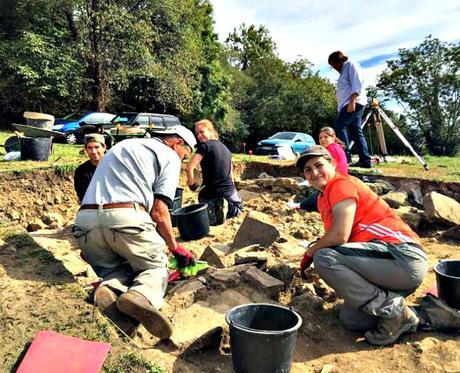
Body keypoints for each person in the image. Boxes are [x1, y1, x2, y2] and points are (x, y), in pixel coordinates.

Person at [73, 125, 197, 340]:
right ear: (177, 143)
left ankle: (109, 288)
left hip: (85, 222)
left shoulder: (122, 146)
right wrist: (173, 247)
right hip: (125, 216)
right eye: (185, 154)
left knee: (118, 268)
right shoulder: (169, 155)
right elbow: (159, 212)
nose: (183, 159)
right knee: (155, 265)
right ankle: (141, 294)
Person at [296, 145, 428, 346]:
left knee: (324, 257)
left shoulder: (340, 184)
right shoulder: (323, 199)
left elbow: (339, 236)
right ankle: (425, 314)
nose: (314, 172)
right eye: (307, 169)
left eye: (319, 165)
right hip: (384, 267)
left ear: (332, 163)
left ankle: (393, 311)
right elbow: (339, 238)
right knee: (353, 319)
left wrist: (311, 252)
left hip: (402, 255)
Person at [186, 119, 243, 225]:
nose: (199, 136)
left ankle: (216, 211)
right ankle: (229, 209)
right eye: (197, 133)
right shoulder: (226, 148)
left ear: (210, 131)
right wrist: (232, 187)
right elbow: (230, 172)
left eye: (202, 132)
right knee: (239, 209)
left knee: (204, 200)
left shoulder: (204, 147)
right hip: (229, 191)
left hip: (210, 193)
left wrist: (192, 185)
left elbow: (189, 167)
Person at [328, 51, 372, 168]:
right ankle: (365, 160)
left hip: (353, 103)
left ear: (339, 61)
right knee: (355, 132)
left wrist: (352, 101)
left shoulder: (350, 65)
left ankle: (345, 158)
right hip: (349, 104)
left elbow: (357, 83)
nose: (334, 68)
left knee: (338, 127)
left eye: (333, 65)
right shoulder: (343, 72)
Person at [288, 126, 348, 212]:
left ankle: (299, 205)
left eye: (326, 137)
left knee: (320, 194)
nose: (322, 140)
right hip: (340, 178)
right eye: (320, 138)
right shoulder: (337, 147)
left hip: (337, 180)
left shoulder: (331, 148)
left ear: (333, 138)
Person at [73, 133, 106, 203]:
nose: (94, 152)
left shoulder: (113, 166)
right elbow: (83, 195)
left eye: (97, 147)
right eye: (90, 148)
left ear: (104, 148)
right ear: (86, 150)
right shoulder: (81, 171)